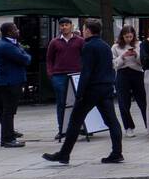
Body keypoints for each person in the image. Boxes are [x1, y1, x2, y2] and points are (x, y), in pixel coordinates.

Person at [40, 18, 123, 164]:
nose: (83, 31)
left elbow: (86, 71)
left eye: (84, 29)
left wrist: (79, 93)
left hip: (92, 89)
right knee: (112, 121)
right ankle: (117, 152)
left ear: (88, 31)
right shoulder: (105, 45)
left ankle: (64, 154)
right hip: (106, 87)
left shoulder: (88, 46)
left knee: (75, 121)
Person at [45, 17, 84, 141]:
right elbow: (49, 59)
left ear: (71, 26)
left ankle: (80, 127)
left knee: (79, 102)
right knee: (61, 103)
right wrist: (51, 73)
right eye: (62, 25)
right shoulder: (54, 42)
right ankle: (62, 129)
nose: (64, 27)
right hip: (59, 75)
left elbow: (85, 56)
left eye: (66, 25)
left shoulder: (80, 41)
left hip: (76, 74)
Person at [0, 23, 30, 148]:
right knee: (8, 111)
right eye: (15, 29)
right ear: (9, 32)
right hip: (9, 81)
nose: (18, 30)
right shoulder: (6, 46)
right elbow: (25, 59)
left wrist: (23, 53)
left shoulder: (12, 43)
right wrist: (24, 54)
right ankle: (7, 139)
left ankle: (10, 134)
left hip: (13, 80)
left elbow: (24, 55)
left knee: (10, 110)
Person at [112, 26, 147, 137]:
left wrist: (136, 55)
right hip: (122, 74)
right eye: (126, 37)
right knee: (123, 102)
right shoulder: (115, 47)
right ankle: (128, 127)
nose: (129, 39)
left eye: (131, 36)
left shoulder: (139, 44)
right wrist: (123, 56)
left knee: (143, 101)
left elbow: (143, 62)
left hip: (137, 73)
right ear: (122, 36)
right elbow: (114, 64)